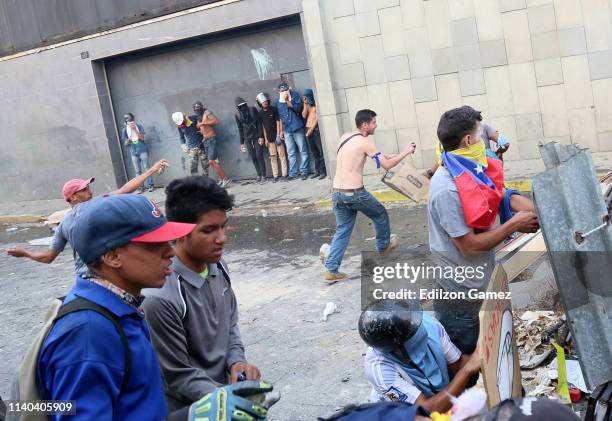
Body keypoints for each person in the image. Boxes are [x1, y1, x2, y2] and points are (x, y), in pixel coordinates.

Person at [36, 194, 273, 421]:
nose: (170, 251)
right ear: (112, 256)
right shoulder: (88, 334)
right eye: (154, 245)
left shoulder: (125, 307)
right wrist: (187, 418)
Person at [428, 106, 539, 369]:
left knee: (494, 360)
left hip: (481, 287)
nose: (485, 140)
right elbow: (468, 246)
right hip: (461, 298)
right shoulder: (447, 188)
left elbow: (492, 196)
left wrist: (512, 205)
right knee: (468, 369)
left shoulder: (467, 167)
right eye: (480, 135)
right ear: (468, 141)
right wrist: (512, 224)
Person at [141, 176, 262, 411]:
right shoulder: (160, 296)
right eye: (209, 230)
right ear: (180, 231)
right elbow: (177, 376)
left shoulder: (218, 266)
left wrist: (236, 362)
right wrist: (230, 399)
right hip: (189, 409)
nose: (222, 238)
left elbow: (230, 325)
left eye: (223, 226)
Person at [5, 159, 169, 274]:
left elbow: (125, 189)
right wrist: (25, 253)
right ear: (72, 198)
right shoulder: (77, 216)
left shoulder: (94, 205)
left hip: (102, 274)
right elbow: (49, 257)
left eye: (88, 187)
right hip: (100, 274)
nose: (89, 191)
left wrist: (152, 171)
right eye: (83, 190)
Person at [324, 109, 416, 282]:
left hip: (337, 193)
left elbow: (371, 157)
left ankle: (331, 270)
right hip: (355, 194)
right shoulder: (365, 142)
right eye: (374, 122)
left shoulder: (345, 137)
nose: (376, 125)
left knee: (343, 230)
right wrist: (406, 151)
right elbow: (387, 165)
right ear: (365, 124)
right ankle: (383, 246)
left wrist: (388, 156)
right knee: (380, 213)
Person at [359, 300, 482, 414]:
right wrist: (467, 370)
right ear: (396, 348)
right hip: (404, 412)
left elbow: (457, 365)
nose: (418, 330)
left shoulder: (431, 326)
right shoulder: (379, 371)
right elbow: (425, 410)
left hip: (440, 396)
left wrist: (484, 353)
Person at [193, 100, 232, 188]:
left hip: (211, 139)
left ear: (201, 107)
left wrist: (203, 123)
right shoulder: (198, 116)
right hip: (206, 140)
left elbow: (216, 121)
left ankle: (226, 180)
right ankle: (223, 179)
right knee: (213, 162)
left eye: (198, 108)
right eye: (196, 109)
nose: (197, 110)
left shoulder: (207, 112)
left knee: (212, 161)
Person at [276, 82, 310, 180]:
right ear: (279, 92)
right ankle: (293, 173)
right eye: (282, 91)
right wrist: (281, 131)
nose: (284, 92)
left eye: (286, 90)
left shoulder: (295, 96)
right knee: (291, 152)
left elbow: (298, 109)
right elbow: (281, 117)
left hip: (297, 127)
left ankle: (304, 171)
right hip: (287, 130)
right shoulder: (278, 101)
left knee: (303, 150)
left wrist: (288, 101)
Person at [256, 92, 288, 182]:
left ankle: (284, 174)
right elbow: (263, 127)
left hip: (277, 137)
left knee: (282, 156)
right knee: (273, 157)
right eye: (263, 102)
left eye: (266, 101)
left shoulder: (274, 109)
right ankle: (275, 175)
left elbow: (278, 122)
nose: (265, 103)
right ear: (260, 103)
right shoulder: (260, 113)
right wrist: (266, 139)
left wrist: (278, 135)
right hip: (269, 140)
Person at [235, 97, 267, 183]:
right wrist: (242, 143)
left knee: (259, 155)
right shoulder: (237, 115)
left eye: (244, 105)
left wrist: (261, 136)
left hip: (257, 136)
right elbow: (240, 129)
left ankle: (264, 175)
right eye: (240, 106)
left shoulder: (253, 110)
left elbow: (259, 123)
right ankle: (259, 174)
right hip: (247, 137)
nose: (243, 107)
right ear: (237, 107)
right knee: (253, 156)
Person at [121, 112, 154, 193]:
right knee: (137, 171)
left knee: (147, 168)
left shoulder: (139, 126)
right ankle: (140, 187)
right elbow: (126, 143)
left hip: (142, 150)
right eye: (128, 121)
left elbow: (142, 138)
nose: (130, 122)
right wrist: (128, 140)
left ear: (134, 120)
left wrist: (134, 129)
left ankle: (150, 185)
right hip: (133, 151)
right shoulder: (124, 130)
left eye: (131, 120)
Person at [172, 111, 209, 177]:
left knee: (205, 165)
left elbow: (202, 120)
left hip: (201, 145)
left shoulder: (193, 118)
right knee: (193, 168)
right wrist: (183, 145)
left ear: (183, 115)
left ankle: (205, 181)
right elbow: (181, 137)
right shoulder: (180, 126)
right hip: (191, 149)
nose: (182, 122)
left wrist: (202, 130)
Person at [302, 88, 327, 179]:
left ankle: (323, 171)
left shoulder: (316, 105)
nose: (305, 99)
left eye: (306, 97)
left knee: (320, 151)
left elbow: (317, 118)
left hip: (315, 130)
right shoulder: (308, 106)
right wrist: (305, 105)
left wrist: (311, 129)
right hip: (308, 130)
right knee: (314, 152)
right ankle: (317, 171)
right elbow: (304, 116)